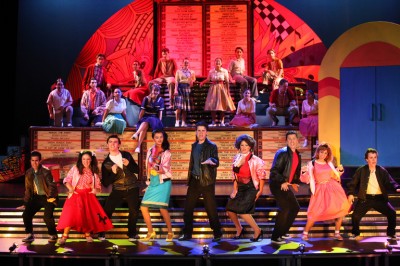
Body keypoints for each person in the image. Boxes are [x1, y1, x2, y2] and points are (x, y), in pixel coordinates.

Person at [178, 121, 223, 242]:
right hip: (194, 180)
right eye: (199, 130)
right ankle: (187, 233)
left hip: (207, 181)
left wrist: (211, 161)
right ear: (196, 132)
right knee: (188, 208)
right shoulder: (194, 145)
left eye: (203, 130)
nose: (201, 133)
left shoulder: (212, 146)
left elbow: (216, 161)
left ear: (207, 132)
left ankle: (217, 233)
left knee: (211, 208)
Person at [56, 150, 113, 245]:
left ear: (91, 160)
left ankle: (87, 234)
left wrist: (95, 190)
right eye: (84, 159)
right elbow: (67, 179)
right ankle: (64, 236)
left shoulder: (94, 171)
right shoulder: (75, 168)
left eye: (88, 159)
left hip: (88, 195)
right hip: (76, 194)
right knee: (70, 215)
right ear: (81, 160)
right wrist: (70, 189)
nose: (86, 161)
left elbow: (98, 186)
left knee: (86, 215)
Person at [299, 143, 350, 241]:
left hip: (332, 188)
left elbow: (335, 176)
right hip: (319, 189)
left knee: (340, 209)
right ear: (318, 152)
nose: (323, 155)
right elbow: (306, 179)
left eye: (325, 153)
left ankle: (337, 233)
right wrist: (304, 172)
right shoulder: (312, 164)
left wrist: (339, 170)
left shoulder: (329, 163)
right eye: (321, 152)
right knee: (314, 212)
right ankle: (305, 233)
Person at [347, 148, 400, 240]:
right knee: (355, 216)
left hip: (379, 199)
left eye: (375, 157)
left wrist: (397, 187)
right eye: (371, 158)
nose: (373, 160)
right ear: (366, 159)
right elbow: (353, 183)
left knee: (392, 213)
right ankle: (355, 233)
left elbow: (390, 182)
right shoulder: (361, 170)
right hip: (365, 199)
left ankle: (391, 233)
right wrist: (351, 193)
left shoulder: (381, 170)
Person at [99, 134, 141, 241]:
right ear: (107, 144)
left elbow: (137, 170)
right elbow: (105, 182)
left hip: (132, 186)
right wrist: (113, 173)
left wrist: (129, 165)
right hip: (118, 188)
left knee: (134, 210)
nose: (113, 144)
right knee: (107, 209)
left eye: (115, 142)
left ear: (119, 144)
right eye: (110, 142)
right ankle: (102, 232)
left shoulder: (126, 155)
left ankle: (131, 234)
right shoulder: (106, 163)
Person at [226, 134, 266, 242]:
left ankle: (257, 230)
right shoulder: (236, 158)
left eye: (246, 145)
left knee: (243, 211)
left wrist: (260, 190)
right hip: (240, 186)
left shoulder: (256, 160)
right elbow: (234, 175)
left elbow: (262, 176)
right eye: (242, 145)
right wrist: (235, 189)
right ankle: (239, 228)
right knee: (230, 209)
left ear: (250, 147)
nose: (244, 147)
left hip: (251, 187)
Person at [269, 130, 301, 245]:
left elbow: (294, 171)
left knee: (295, 207)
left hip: (286, 184)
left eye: (294, 139)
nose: (292, 141)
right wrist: (282, 181)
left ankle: (283, 232)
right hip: (277, 184)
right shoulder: (282, 153)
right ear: (286, 141)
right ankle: (275, 236)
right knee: (285, 208)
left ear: (298, 140)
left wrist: (294, 183)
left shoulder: (297, 154)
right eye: (289, 139)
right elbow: (274, 171)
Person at [140, 129, 173, 241]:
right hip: (153, 181)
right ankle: (150, 231)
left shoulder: (167, 152)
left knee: (162, 208)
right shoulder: (150, 150)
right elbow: (147, 167)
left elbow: (165, 168)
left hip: (163, 182)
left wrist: (156, 166)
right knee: (143, 207)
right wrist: (148, 183)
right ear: (153, 138)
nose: (159, 139)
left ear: (164, 138)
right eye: (157, 137)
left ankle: (170, 232)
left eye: (161, 137)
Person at [18, 151, 58, 243]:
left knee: (47, 217)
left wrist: (50, 197)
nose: (34, 163)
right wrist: (26, 203)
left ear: (40, 161)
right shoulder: (28, 172)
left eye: (36, 160)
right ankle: (30, 234)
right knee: (26, 214)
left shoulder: (45, 171)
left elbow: (52, 185)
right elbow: (28, 189)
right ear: (30, 161)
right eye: (32, 160)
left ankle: (53, 234)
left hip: (48, 196)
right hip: (37, 197)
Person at [200, 57, 236, 127]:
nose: (218, 63)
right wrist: (202, 82)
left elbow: (227, 81)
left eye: (219, 61)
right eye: (216, 61)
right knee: (213, 105)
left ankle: (222, 122)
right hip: (213, 88)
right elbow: (208, 79)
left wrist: (228, 91)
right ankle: (213, 122)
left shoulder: (224, 71)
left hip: (221, 88)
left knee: (222, 105)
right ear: (214, 63)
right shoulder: (211, 71)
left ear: (221, 63)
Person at [131, 84, 164, 153]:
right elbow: (142, 111)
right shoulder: (146, 98)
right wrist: (139, 121)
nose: (155, 92)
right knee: (144, 125)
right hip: (146, 117)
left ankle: (136, 134)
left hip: (154, 118)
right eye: (154, 90)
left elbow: (160, 113)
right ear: (151, 91)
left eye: (157, 91)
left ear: (159, 92)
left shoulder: (161, 100)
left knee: (149, 120)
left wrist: (159, 122)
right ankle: (138, 147)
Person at [174, 58, 195, 127]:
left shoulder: (191, 72)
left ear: (189, 64)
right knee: (179, 107)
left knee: (185, 107)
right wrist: (175, 90)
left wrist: (191, 81)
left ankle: (183, 122)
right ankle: (177, 122)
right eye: (185, 62)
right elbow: (176, 81)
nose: (186, 64)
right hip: (180, 88)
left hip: (187, 89)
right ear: (182, 64)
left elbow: (192, 81)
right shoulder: (178, 71)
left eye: (187, 62)